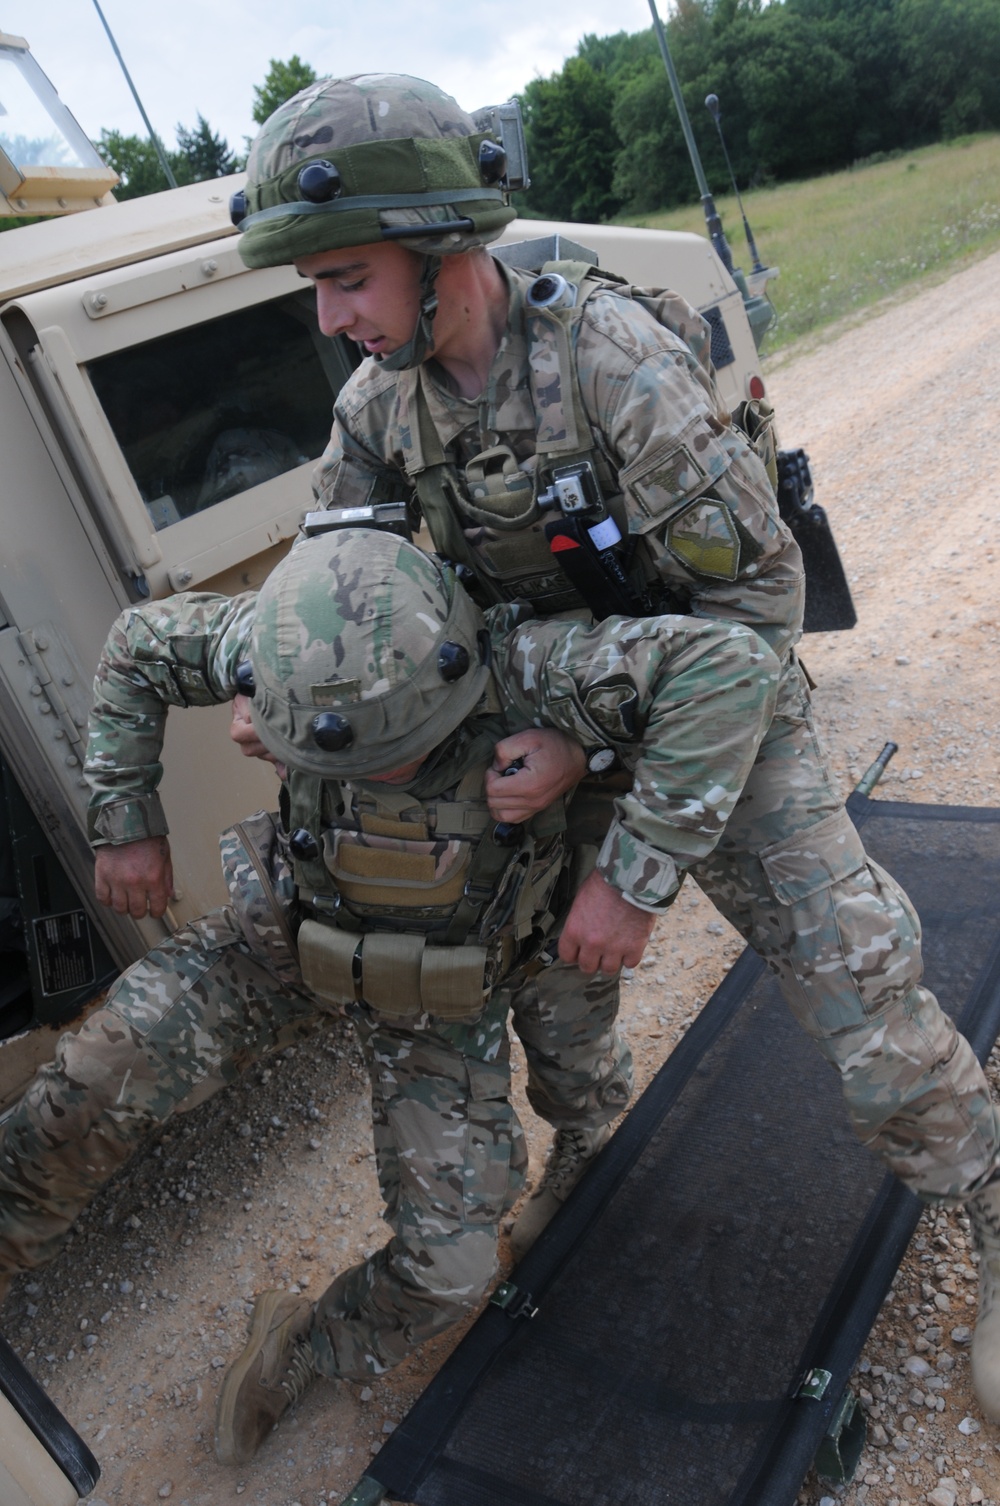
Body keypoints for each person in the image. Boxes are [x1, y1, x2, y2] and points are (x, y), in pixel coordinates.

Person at [228, 72, 1000, 1420]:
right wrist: (274, 684)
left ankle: (987, 1200)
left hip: (717, 704)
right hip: (543, 710)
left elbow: (758, 614)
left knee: (856, 992)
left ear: (435, 246)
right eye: (320, 286)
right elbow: (328, 597)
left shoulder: (608, 362)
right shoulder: (380, 413)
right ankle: (588, 1144)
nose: (331, 316)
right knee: (531, 972)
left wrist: (631, 862)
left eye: (346, 277)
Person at [0, 527, 780, 1464]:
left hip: (450, 986)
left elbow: (735, 667)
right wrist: (124, 817)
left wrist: (628, 873)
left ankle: (309, 1338)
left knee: (454, 1268)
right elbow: (138, 644)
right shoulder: (280, 642)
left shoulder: (524, 665)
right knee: (88, 1081)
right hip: (293, 932)